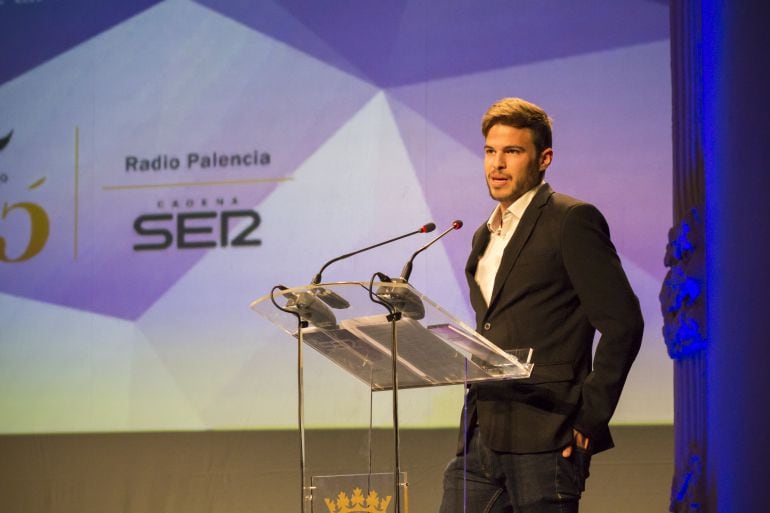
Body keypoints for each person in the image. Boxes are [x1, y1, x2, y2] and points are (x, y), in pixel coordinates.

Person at [439, 98, 644, 513]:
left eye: (512, 152)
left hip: (548, 437)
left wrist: (589, 419)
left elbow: (623, 323)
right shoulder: (484, 235)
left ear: (543, 158)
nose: (497, 164)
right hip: (481, 436)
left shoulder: (571, 220)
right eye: (490, 152)